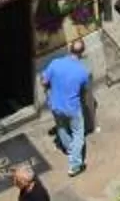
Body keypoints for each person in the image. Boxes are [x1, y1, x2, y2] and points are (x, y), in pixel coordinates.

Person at [39, 33, 94, 177]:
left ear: (70, 48)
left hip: (55, 105)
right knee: (78, 134)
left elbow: (44, 81)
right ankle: (75, 165)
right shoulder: (83, 72)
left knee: (62, 128)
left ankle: (70, 149)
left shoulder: (55, 63)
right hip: (72, 108)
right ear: (82, 52)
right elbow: (84, 90)